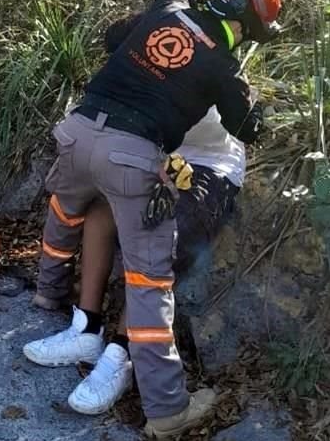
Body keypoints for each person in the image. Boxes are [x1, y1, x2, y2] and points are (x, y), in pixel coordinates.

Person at [30, 0, 281, 441]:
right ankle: (109, 348)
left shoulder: (191, 38)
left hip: (159, 154)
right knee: (122, 240)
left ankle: (109, 347)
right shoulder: (208, 56)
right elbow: (249, 126)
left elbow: (244, 128)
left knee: (126, 232)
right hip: (141, 153)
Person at [24, 105, 245, 416]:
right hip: (147, 152)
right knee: (101, 210)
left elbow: (214, 121)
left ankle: (121, 353)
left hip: (207, 165)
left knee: (157, 232)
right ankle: (87, 328)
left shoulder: (207, 61)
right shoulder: (136, 58)